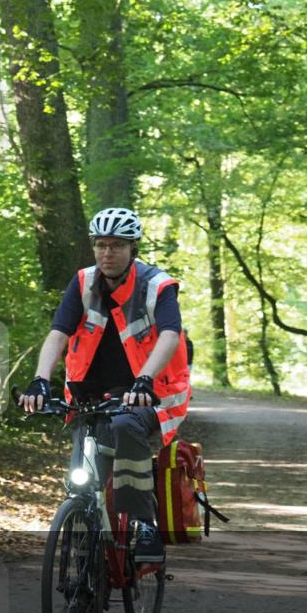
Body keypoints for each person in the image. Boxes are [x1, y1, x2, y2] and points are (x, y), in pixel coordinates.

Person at [18, 207, 190, 564]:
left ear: (133, 248)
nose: (107, 253)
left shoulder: (157, 286)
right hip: (91, 395)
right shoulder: (83, 282)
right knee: (82, 479)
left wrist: (144, 379)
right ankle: (84, 553)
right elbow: (58, 333)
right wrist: (40, 380)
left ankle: (143, 523)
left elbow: (170, 335)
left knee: (126, 425)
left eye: (117, 246)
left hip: (151, 394)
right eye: (101, 245)